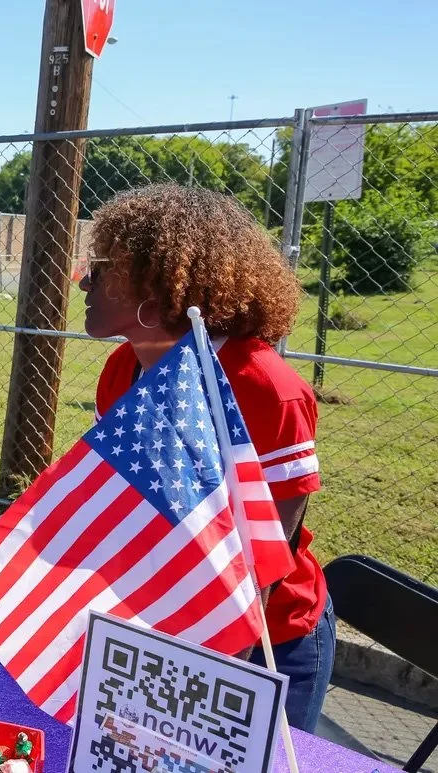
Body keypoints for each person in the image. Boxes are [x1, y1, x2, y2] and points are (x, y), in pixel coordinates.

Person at [80, 183, 334, 733]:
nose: (84, 280)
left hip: (264, 636)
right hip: (159, 616)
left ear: (161, 278)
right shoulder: (122, 370)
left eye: (103, 267)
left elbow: (269, 551)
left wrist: (223, 673)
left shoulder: (264, 386)